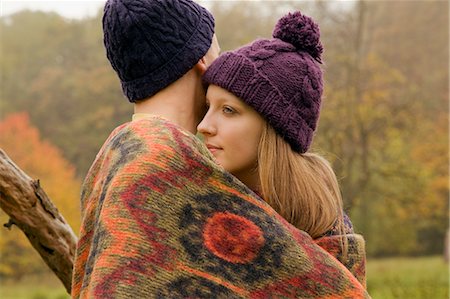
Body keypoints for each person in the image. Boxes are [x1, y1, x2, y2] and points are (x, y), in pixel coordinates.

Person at [71, 0, 370, 297]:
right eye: (217, 49)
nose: (206, 126)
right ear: (202, 60)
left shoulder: (115, 158)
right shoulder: (163, 162)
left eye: (228, 110)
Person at [198, 11, 367, 286]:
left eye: (228, 110)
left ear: (274, 127)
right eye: (208, 107)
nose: (204, 125)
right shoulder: (194, 203)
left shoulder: (329, 234)